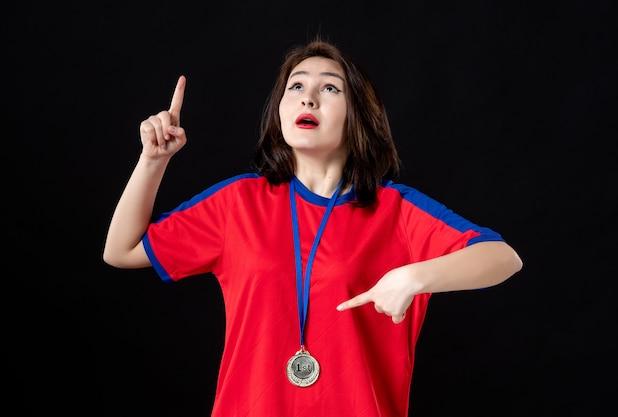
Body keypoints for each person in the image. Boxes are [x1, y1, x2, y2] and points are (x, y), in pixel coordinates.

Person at [103, 37, 523, 417]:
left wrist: (415, 276)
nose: (309, 100)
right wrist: (152, 162)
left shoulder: (395, 210)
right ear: (280, 109)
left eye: (330, 88)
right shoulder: (237, 203)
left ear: (357, 112)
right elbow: (121, 251)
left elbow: (503, 258)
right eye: (296, 86)